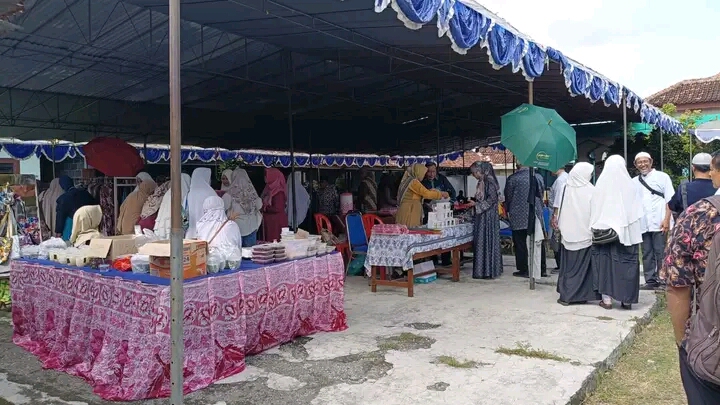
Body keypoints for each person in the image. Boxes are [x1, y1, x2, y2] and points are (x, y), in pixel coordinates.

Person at [661, 153, 720, 404]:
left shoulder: (697, 215)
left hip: (710, 347)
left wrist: (683, 343)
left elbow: (677, 286)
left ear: (714, 171)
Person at [590, 155, 644, 310]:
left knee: (605, 265)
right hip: (627, 233)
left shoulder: (601, 184)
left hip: (606, 234)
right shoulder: (630, 185)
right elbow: (637, 210)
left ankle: (607, 300)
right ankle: (626, 300)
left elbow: (594, 208)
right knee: (627, 264)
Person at [556, 162, 600, 306]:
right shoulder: (592, 190)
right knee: (582, 270)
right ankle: (580, 295)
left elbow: (558, 209)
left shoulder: (565, 187)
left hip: (567, 234)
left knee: (568, 268)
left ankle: (566, 294)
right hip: (585, 235)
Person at [633, 151, 675, 291]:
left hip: (660, 221)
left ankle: (663, 280)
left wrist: (667, 219)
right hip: (643, 223)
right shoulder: (634, 182)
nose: (643, 164)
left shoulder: (662, 177)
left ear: (651, 162)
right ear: (635, 165)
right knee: (646, 253)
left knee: (661, 252)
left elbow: (670, 200)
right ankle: (650, 280)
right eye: (639, 162)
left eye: (645, 161)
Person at [504, 163, 547, 278]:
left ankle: (524, 269)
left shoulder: (512, 179)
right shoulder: (538, 177)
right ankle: (541, 268)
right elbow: (541, 193)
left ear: (517, 166)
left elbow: (508, 197)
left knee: (520, 243)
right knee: (538, 241)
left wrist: (508, 209)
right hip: (535, 213)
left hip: (518, 215)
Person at [468, 161, 502, 279]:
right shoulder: (482, 182)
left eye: (474, 172)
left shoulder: (489, 182)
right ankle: (483, 270)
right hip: (483, 215)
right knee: (482, 241)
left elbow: (492, 199)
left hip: (488, 216)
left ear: (480, 171)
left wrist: (477, 205)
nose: (474, 175)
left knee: (487, 240)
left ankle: (488, 271)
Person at [223, 168, 262, 247]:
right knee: (250, 252)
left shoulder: (229, 194)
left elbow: (223, 207)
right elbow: (259, 206)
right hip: (251, 227)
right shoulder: (252, 193)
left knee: (235, 253)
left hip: (236, 228)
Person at [55, 175, 96, 241]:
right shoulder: (85, 194)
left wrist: (58, 232)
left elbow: (60, 216)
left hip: (71, 227)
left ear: (62, 186)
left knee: (70, 245)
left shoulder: (63, 198)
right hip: (86, 225)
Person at [154, 173, 191, 239]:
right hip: (176, 225)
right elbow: (184, 213)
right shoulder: (183, 193)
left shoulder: (168, 192)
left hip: (163, 224)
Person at [549, 164, 572, 272]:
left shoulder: (560, 181)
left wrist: (555, 216)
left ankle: (560, 265)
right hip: (566, 213)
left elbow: (557, 200)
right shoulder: (567, 177)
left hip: (558, 213)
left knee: (556, 239)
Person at [185, 168, 217, 239]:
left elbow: (185, 212)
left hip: (191, 232)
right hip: (208, 232)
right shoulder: (211, 193)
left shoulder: (189, 194)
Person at [261, 168, 289, 242]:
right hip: (271, 222)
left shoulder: (279, 192)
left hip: (276, 223)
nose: (265, 178)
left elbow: (278, 208)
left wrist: (265, 207)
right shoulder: (269, 189)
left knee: (275, 243)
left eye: (267, 176)